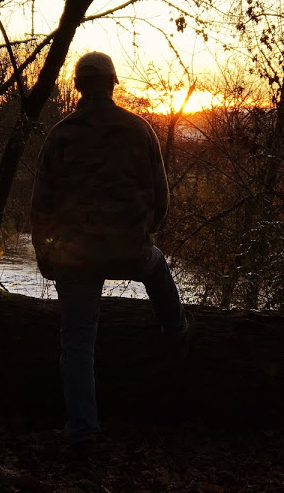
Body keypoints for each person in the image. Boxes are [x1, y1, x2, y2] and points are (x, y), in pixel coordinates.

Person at [30, 51, 191, 453]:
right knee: (156, 266)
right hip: (130, 249)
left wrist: (46, 255)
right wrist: (142, 235)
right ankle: (177, 333)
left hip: (75, 258)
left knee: (78, 342)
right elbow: (162, 198)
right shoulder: (140, 130)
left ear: (77, 86)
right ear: (113, 84)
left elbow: (41, 206)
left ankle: (83, 431)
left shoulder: (60, 135)